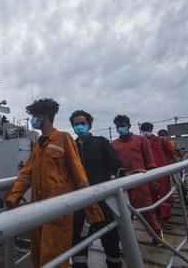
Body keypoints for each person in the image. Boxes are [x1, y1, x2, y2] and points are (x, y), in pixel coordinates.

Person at [6, 98, 104, 268]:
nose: (33, 120)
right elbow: (25, 175)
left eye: (34, 116)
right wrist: (13, 198)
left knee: (54, 258)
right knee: (38, 257)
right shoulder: (37, 145)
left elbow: (79, 175)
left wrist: (93, 212)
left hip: (58, 211)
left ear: (43, 116)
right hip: (37, 210)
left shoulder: (63, 139)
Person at [69, 110, 127, 268]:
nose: (79, 126)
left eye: (82, 123)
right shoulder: (71, 147)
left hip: (102, 201)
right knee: (78, 241)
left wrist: (123, 172)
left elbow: (114, 163)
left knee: (110, 240)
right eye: (76, 124)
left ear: (89, 124)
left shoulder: (100, 143)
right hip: (79, 203)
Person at [111, 115, 164, 246]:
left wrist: (154, 179)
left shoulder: (140, 140)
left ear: (129, 125)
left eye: (122, 125)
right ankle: (129, 243)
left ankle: (156, 235)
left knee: (147, 211)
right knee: (125, 215)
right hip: (122, 183)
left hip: (140, 183)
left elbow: (149, 159)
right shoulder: (114, 144)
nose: (120, 128)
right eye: (117, 126)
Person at [140, 123, 180, 230]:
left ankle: (164, 219)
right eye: (143, 129)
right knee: (152, 196)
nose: (145, 131)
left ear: (151, 129)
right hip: (148, 174)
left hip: (162, 173)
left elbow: (172, 153)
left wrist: (181, 165)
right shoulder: (140, 143)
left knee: (164, 196)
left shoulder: (162, 141)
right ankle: (157, 217)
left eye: (147, 129)